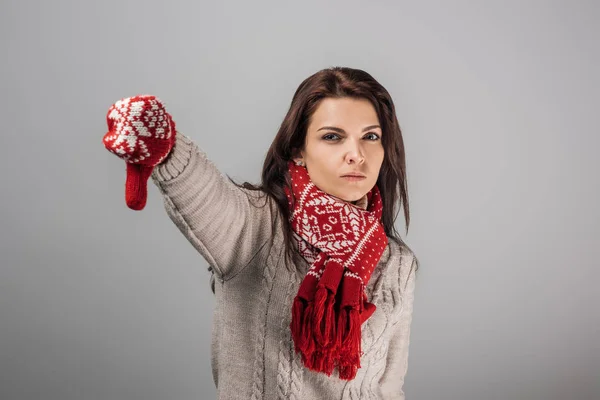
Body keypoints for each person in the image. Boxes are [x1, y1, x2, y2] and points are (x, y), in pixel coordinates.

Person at [103, 66, 419, 400]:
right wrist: (167, 146)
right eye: (332, 136)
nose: (356, 154)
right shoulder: (256, 226)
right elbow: (204, 193)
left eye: (370, 137)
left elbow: (389, 387)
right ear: (298, 149)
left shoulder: (399, 264)